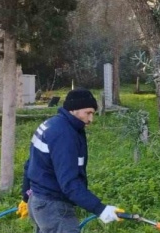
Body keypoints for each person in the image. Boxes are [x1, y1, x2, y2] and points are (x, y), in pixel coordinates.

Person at [19, 89, 121, 233]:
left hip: (38, 201)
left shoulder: (53, 124)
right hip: (54, 208)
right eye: (88, 113)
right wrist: (100, 209)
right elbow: (69, 182)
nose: (91, 119)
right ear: (74, 109)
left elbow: (30, 164)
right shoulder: (64, 135)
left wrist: (25, 196)